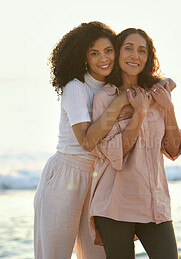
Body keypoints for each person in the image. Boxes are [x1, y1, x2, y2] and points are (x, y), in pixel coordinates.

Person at [34, 21, 131, 259]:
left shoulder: (114, 87)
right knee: (54, 254)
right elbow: (86, 141)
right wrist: (119, 103)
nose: (103, 58)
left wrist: (163, 83)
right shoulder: (74, 87)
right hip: (66, 175)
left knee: (98, 254)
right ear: (84, 57)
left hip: (98, 179)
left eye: (108, 51)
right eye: (94, 53)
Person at [88, 28, 181, 259]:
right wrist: (139, 114)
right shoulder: (105, 97)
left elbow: (172, 149)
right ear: (118, 53)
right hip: (115, 203)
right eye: (128, 48)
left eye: (142, 50)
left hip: (155, 202)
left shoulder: (159, 93)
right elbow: (116, 154)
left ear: (148, 58)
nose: (135, 55)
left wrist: (169, 109)